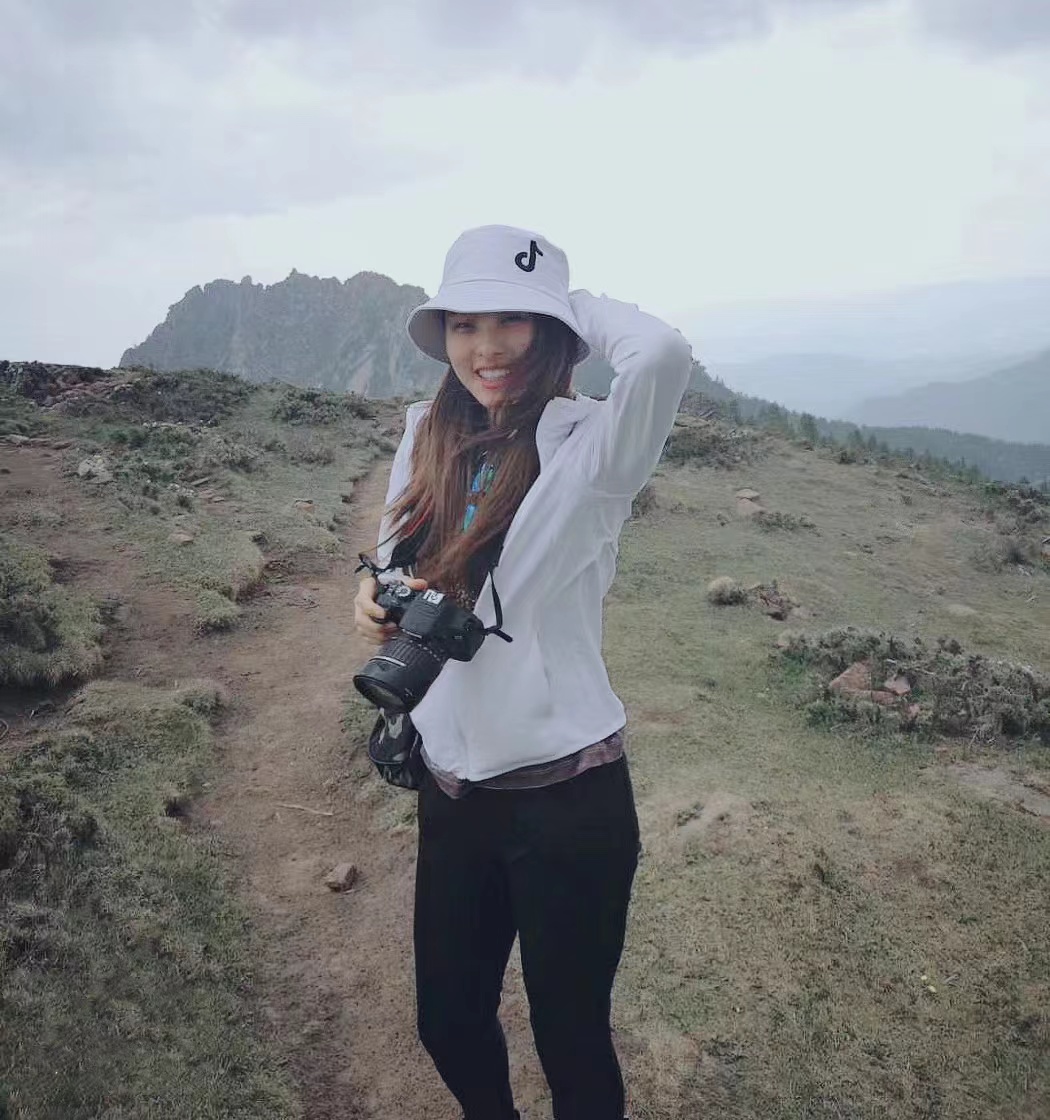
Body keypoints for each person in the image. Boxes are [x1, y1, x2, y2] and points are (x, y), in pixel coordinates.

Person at [354, 224, 692, 1120]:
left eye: (513, 321)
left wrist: (563, 303)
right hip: (452, 787)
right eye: (465, 324)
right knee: (447, 1021)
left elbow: (661, 352)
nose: (488, 347)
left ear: (552, 334)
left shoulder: (594, 447)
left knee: (571, 1039)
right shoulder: (425, 431)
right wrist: (374, 596)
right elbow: (395, 560)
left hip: (567, 798)